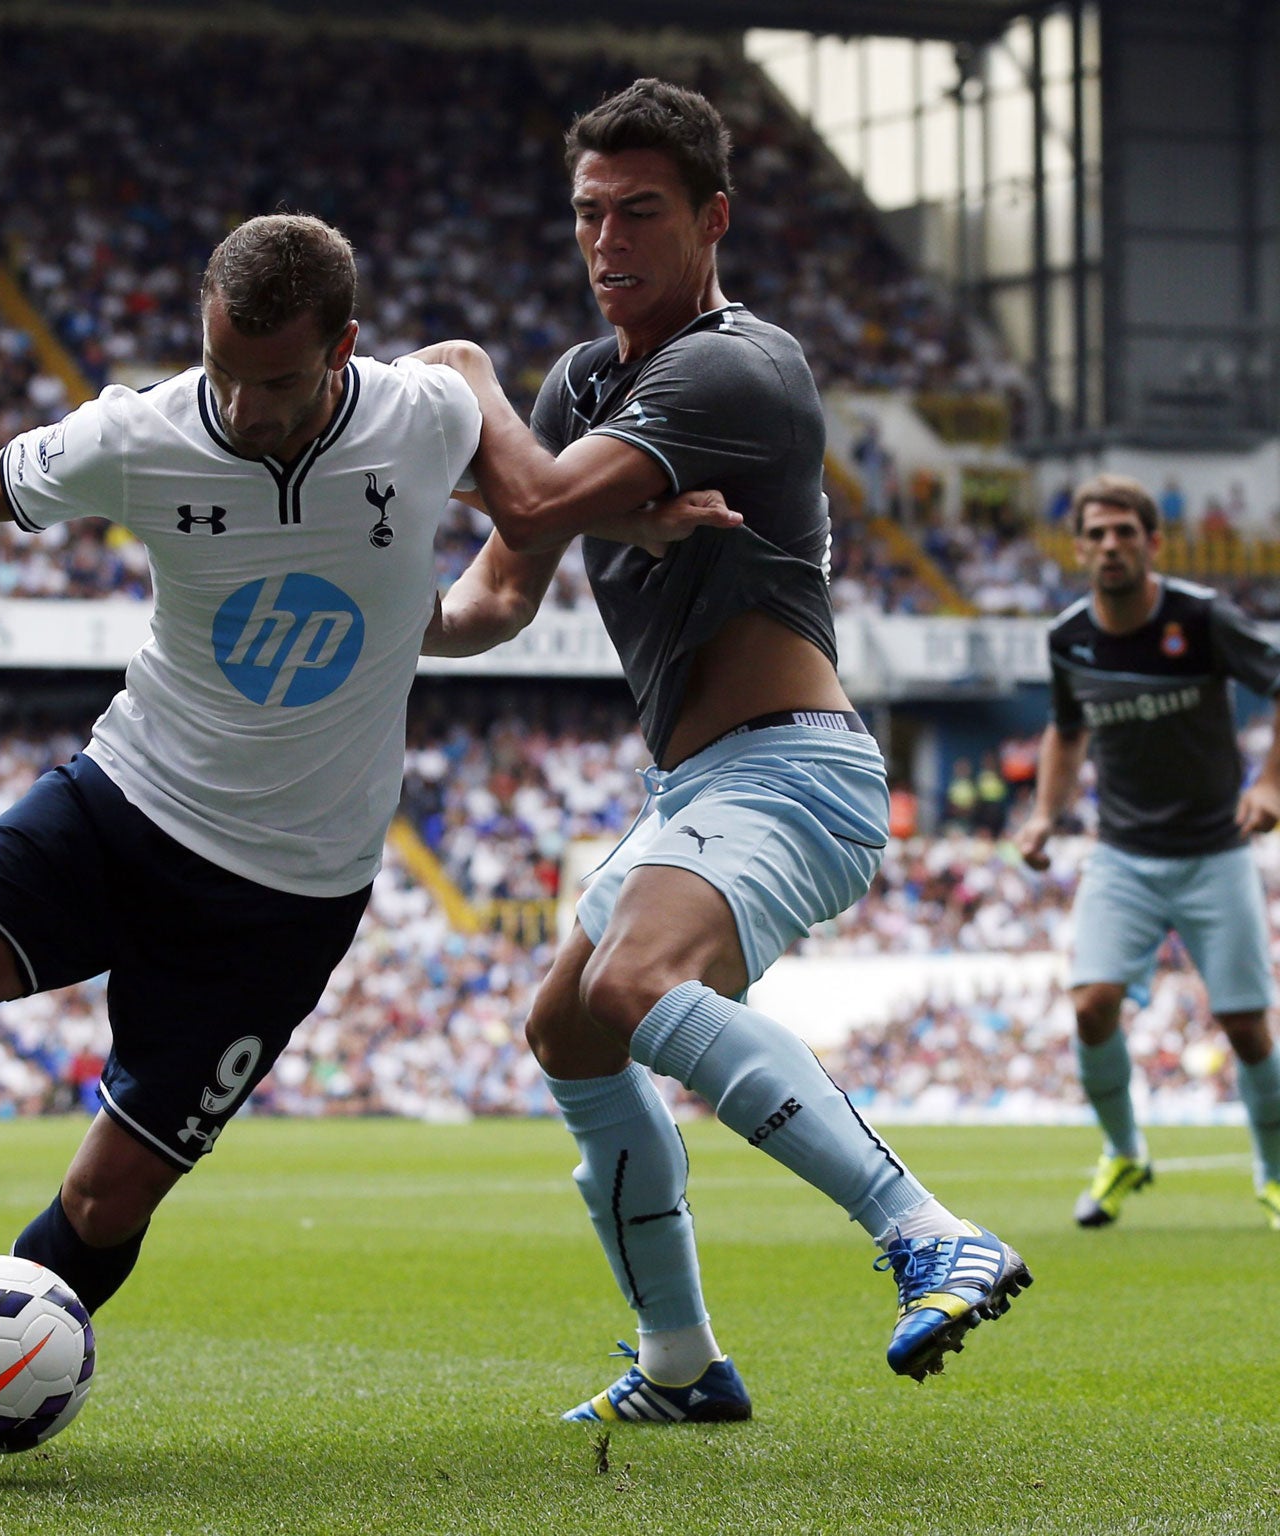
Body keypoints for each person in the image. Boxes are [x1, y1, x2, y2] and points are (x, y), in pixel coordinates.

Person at [0, 214, 730, 1446]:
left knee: (106, 1200)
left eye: (278, 381)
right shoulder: (143, 432)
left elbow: (520, 510)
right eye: (222, 373)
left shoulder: (420, 415)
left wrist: (607, 534)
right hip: (123, 800)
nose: (245, 409)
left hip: (287, 894)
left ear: (344, 348)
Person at [418, 78, 1029, 1425]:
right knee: (565, 1027)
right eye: (589, 214)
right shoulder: (585, 381)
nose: (607, 241)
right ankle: (682, 1363)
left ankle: (924, 1229)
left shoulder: (734, 368)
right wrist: (380, 621)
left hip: (793, 768)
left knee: (636, 979)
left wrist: (465, 391)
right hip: (693, 785)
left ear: (714, 221)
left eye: (641, 211)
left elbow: (531, 493)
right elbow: (500, 594)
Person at [1016, 474, 1280, 1230]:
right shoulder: (1069, 636)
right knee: (1092, 1005)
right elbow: (1067, 730)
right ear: (1078, 549)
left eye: (1124, 532)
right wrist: (1042, 816)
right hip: (1123, 853)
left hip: (1215, 850)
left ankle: (1274, 1170)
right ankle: (1124, 1151)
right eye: (1095, 534)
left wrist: (1269, 790)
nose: (1110, 546)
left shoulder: (1201, 618)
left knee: (1245, 1027)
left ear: (1152, 542)